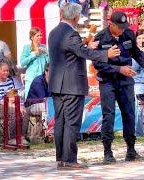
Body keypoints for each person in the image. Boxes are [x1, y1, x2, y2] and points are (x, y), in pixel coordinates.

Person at [48, 3, 118, 170]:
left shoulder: (53, 32)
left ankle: (62, 158)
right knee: (72, 122)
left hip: (57, 83)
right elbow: (83, 53)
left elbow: (73, 52)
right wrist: (105, 54)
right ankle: (70, 160)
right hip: (71, 84)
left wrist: (86, 46)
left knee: (60, 122)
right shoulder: (71, 34)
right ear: (75, 17)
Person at [93, 11, 144, 164]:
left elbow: (137, 54)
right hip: (108, 81)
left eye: (124, 27)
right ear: (111, 24)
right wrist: (118, 69)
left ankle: (131, 150)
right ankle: (108, 152)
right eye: (119, 27)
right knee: (108, 115)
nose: (122, 30)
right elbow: (98, 64)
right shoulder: (101, 38)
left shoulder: (128, 34)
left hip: (126, 81)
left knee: (129, 113)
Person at [0, 60, 29, 145]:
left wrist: (20, 106)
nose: (6, 72)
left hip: (10, 104)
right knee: (13, 112)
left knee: (25, 111)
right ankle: (12, 138)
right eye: (4, 70)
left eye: (7, 70)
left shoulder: (10, 81)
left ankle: (21, 137)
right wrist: (12, 104)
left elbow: (15, 95)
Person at [20, 27, 50, 98]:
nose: (40, 37)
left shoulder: (44, 46)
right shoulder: (27, 47)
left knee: (42, 99)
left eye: (40, 35)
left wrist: (46, 54)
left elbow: (49, 63)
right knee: (30, 99)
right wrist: (34, 54)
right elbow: (22, 63)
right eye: (37, 35)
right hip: (31, 78)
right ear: (32, 37)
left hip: (42, 79)